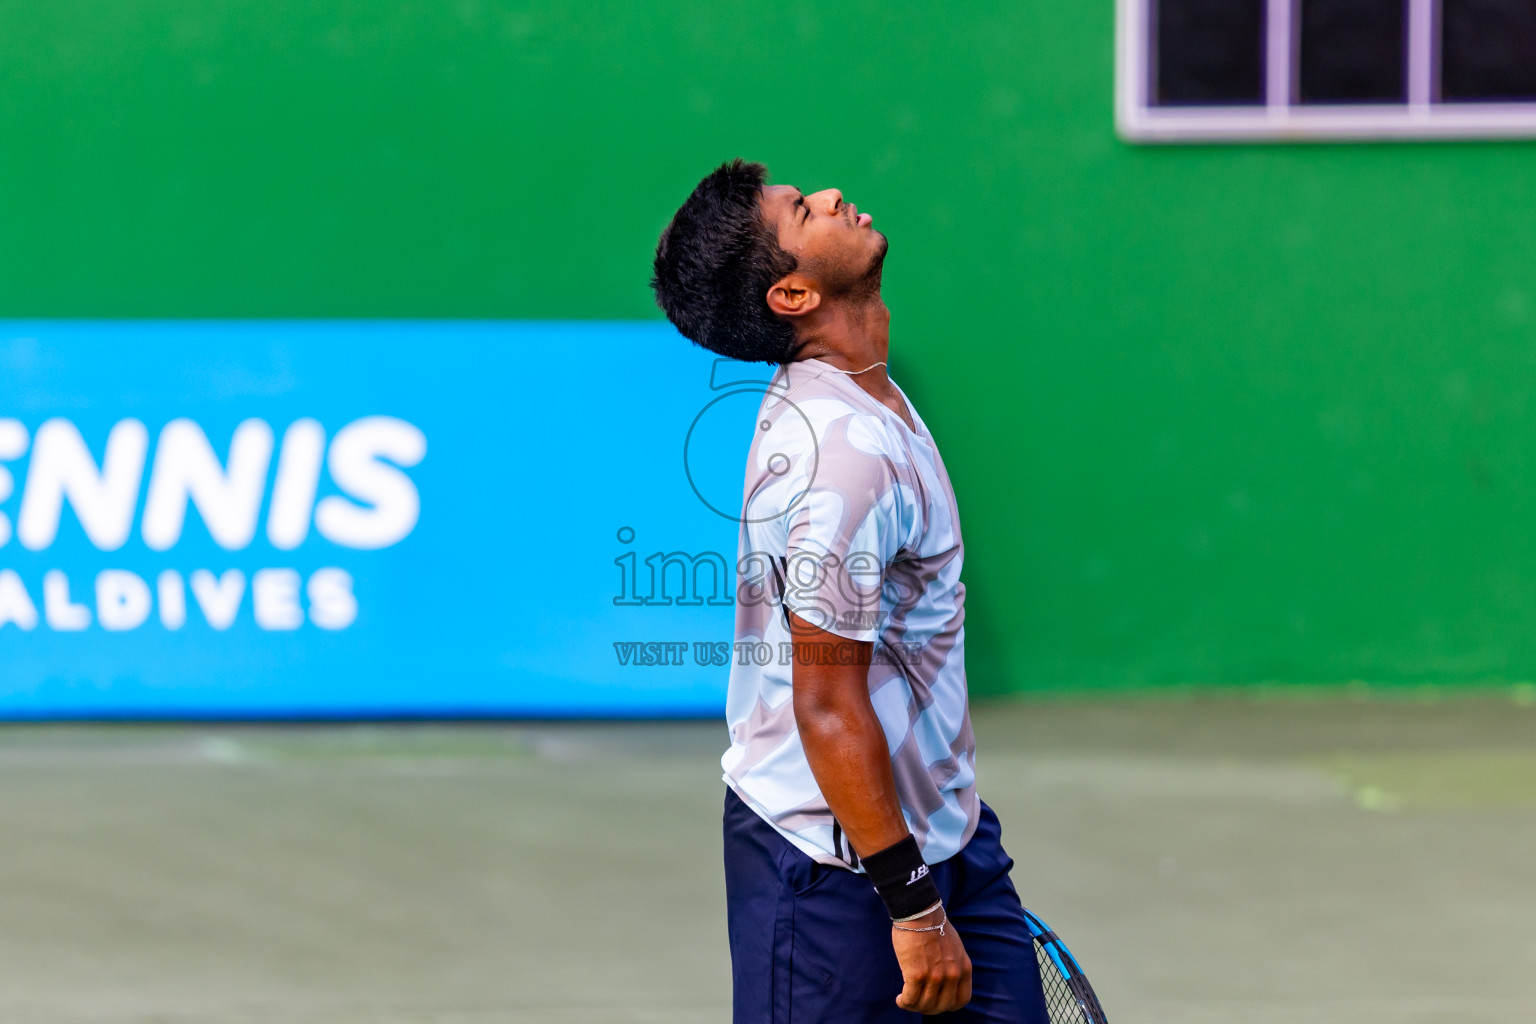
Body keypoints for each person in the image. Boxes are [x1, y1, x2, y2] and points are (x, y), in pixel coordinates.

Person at [651, 160, 1050, 1023]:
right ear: (792, 296)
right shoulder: (844, 459)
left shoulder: (874, 397)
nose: (828, 194)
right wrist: (913, 906)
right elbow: (825, 704)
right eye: (802, 211)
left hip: (944, 837)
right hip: (833, 874)